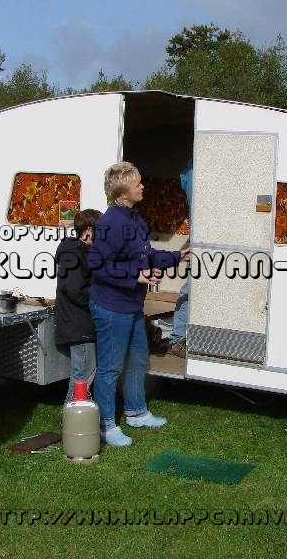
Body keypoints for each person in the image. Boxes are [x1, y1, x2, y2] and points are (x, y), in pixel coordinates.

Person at [87, 161, 187, 447]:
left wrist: (177, 258)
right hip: (110, 307)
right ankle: (105, 425)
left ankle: (136, 412)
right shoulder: (110, 223)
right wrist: (135, 275)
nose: (143, 186)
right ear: (121, 192)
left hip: (131, 305)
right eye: (137, 183)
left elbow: (145, 253)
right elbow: (97, 266)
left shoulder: (134, 219)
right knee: (110, 367)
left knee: (139, 359)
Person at [55, 208, 102, 405]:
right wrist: (99, 301)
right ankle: (72, 416)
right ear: (88, 230)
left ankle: (75, 415)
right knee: (83, 372)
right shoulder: (72, 254)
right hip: (78, 323)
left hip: (80, 322)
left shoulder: (82, 251)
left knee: (84, 370)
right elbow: (74, 289)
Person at [168, 158, 193, 358]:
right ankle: (177, 340)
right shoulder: (195, 172)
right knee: (191, 290)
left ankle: (178, 338)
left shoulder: (189, 173)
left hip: (199, 239)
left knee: (191, 289)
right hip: (202, 240)